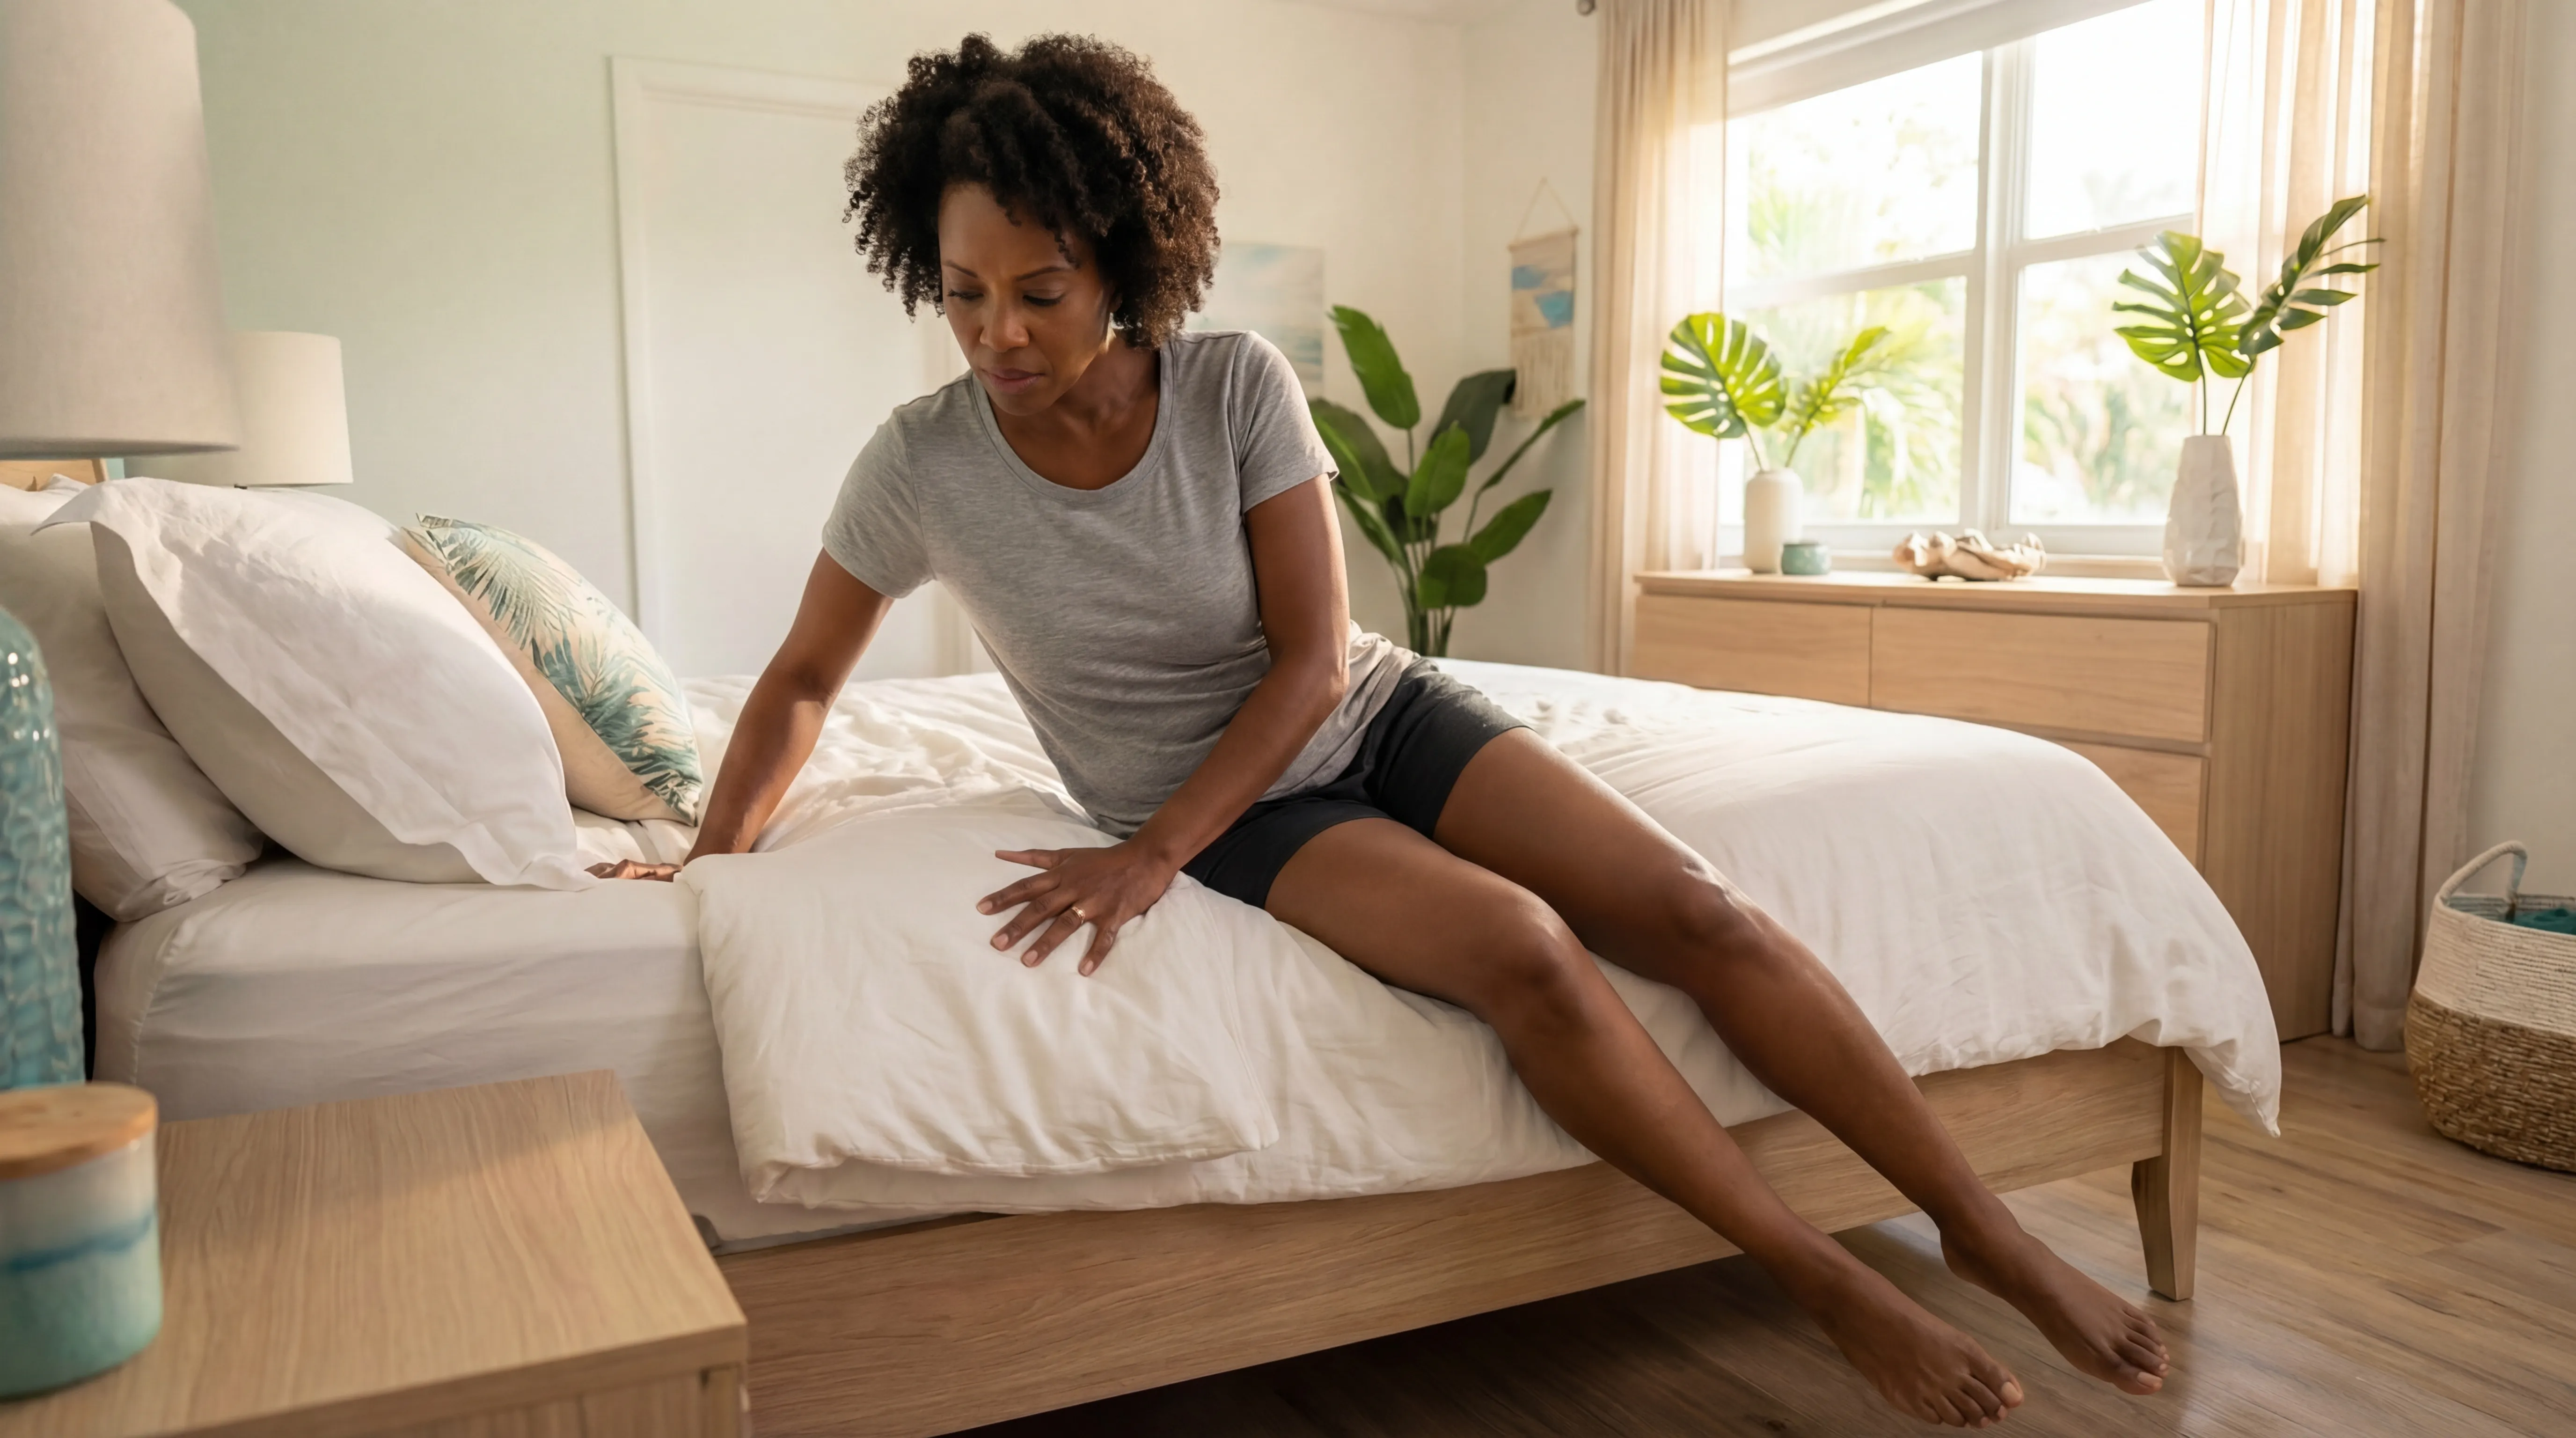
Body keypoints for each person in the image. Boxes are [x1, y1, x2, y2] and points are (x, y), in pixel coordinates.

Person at [596, 32, 2170, 1428]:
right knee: (1528, 951)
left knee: (1700, 909)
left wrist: (1146, 863)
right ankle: (1818, 1274)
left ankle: (1987, 1227)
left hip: (1366, 714)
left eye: (1038, 292)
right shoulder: (921, 463)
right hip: (1247, 809)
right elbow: (804, 676)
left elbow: (1304, 666)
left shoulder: (1232, 390)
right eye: (960, 296)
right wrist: (705, 852)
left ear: (1123, 263)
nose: (996, 335)